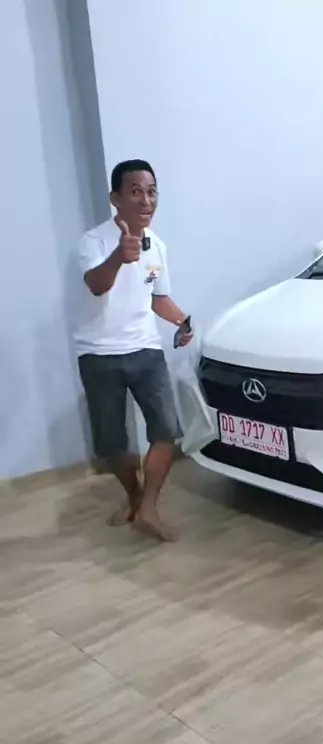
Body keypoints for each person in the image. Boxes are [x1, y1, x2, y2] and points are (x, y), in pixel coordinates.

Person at [75, 159, 192, 541]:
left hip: (146, 350)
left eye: (152, 191)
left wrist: (182, 321)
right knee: (112, 446)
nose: (146, 200)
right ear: (116, 198)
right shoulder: (93, 241)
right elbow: (96, 284)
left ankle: (149, 507)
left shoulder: (157, 246)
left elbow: (158, 296)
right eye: (136, 191)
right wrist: (119, 256)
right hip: (99, 354)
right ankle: (135, 497)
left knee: (166, 431)